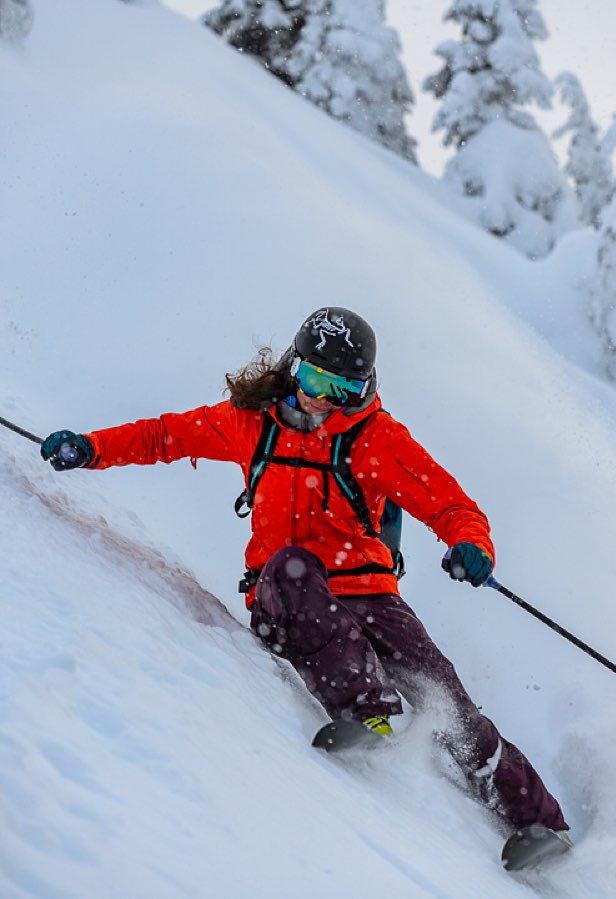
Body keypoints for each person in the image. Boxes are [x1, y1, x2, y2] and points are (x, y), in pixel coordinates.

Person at [41, 306, 569, 838]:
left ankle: (541, 825)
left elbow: (450, 505)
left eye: (344, 390)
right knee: (294, 566)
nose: (325, 399)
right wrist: (91, 448)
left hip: (368, 592)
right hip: (284, 597)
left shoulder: (375, 439)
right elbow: (164, 437)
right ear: (294, 368)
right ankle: (368, 712)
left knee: (443, 694)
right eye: (316, 380)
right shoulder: (250, 423)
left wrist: (470, 545)